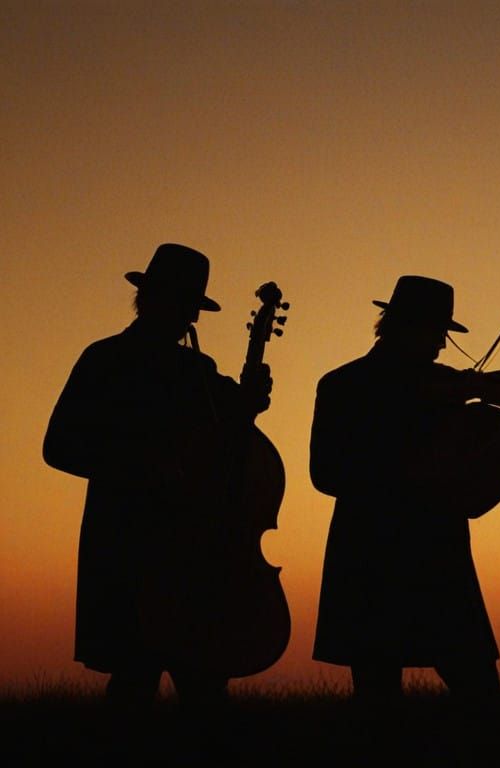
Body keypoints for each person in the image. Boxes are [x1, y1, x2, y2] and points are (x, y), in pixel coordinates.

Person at [310, 275, 500, 706]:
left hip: (436, 549)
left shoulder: (447, 390)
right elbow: (325, 473)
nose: (442, 347)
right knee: (377, 695)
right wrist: (408, 465)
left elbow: (478, 464)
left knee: (478, 687)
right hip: (369, 550)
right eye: (435, 333)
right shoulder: (344, 386)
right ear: (402, 326)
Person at [42, 243, 273, 712]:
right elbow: (59, 447)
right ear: (149, 299)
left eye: (193, 306)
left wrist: (251, 399)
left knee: (205, 685)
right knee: (134, 677)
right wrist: (143, 467)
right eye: (182, 302)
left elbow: (234, 432)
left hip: (199, 552)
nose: (189, 316)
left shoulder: (199, 371)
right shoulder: (105, 360)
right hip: (127, 543)